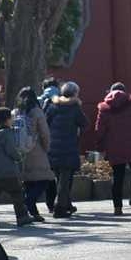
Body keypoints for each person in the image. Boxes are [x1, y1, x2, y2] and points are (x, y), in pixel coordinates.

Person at [95, 83, 131, 214]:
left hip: (115, 146)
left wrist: (100, 147)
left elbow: (99, 130)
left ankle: (117, 207)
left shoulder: (104, 108)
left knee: (118, 177)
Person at [0, 108, 34, 227]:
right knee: (16, 192)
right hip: (7, 170)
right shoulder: (7, 132)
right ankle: (21, 216)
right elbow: (11, 150)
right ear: (8, 119)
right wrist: (19, 158)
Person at [45, 82, 90, 219]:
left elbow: (46, 122)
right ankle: (59, 207)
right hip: (68, 145)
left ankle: (67, 204)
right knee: (65, 178)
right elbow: (85, 124)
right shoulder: (74, 107)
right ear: (75, 93)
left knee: (59, 177)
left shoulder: (52, 106)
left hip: (53, 145)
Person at [12, 87, 53, 223]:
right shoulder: (36, 112)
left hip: (20, 151)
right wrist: (47, 148)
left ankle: (34, 212)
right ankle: (28, 202)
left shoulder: (15, 112)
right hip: (36, 149)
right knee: (45, 179)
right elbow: (45, 133)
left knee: (29, 181)